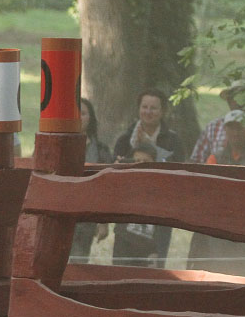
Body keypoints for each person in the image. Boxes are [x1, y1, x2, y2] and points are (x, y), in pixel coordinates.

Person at [187, 109, 245, 275]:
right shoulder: (215, 158)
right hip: (217, 222)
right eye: (231, 127)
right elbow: (205, 190)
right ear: (225, 129)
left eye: (240, 127)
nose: (235, 132)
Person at [111, 142, 171, 267]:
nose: (141, 165)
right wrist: (116, 169)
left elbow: (164, 229)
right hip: (124, 245)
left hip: (148, 248)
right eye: (137, 160)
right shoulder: (125, 183)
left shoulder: (161, 190)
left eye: (146, 161)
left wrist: (158, 252)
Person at [70, 98, 113, 262]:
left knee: (78, 263)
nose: (79, 117)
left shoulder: (101, 150)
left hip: (86, 219)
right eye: (74, 113)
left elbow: (106, 188)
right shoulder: (52, 145)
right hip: (59, 213)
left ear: (91, 118)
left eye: (83, 113)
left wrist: (103, 222)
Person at [112, 88, 185, 163]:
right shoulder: (124, 139)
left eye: (153, 108)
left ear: (162, 111)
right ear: (138, 109)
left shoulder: (173, 140)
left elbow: (176, 167)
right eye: (144, 107)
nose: (148, 112)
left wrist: (149, 145)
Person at [190, 80, 245, 163]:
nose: (239, 103)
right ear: (229, 101)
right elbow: (196, 161)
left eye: (244, 98)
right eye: (235, 98)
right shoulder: (213, 127)